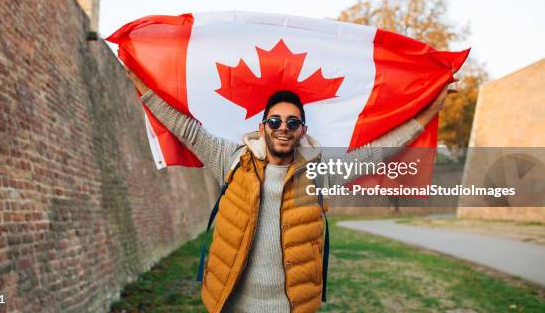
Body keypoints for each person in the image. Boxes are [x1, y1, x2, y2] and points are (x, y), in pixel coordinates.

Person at [125, 67, 453, 313]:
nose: (284, 128)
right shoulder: (231, 159)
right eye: (275, 121)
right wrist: (138, 79)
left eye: (292, 123)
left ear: (302, 131)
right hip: (231, 305)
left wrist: (432, 109)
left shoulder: (320, 172)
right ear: (262, 127)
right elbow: (183, 127)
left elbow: (380, 151)